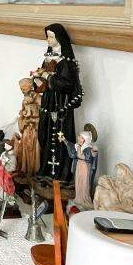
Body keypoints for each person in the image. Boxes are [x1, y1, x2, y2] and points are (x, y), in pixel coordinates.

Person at [36, 23, 84, 184]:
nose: (48, 40)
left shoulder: (66, 61)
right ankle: (45, 170)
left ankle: (61, 174)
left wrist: (48, 77)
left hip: (61, 104)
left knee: (60, 137)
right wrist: (38, 79)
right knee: (45, 134)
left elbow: (67, 85)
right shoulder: (48, 58)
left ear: (59, 38)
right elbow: (44, 81)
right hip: (48, 102)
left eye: (51, 37)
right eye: (47, 37)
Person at [59, 124, 99, 206]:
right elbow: (71, 147)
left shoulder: (88, 148)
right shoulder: (78, 146)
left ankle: (84, 199)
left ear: (84, 139)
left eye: (80, 137)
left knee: (84, 183)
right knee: (78, 182)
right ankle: (78, 198)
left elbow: (81, 156)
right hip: (79, 166)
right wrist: (64, 140)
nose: (78, 138)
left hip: (85, 167)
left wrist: (80, 147)